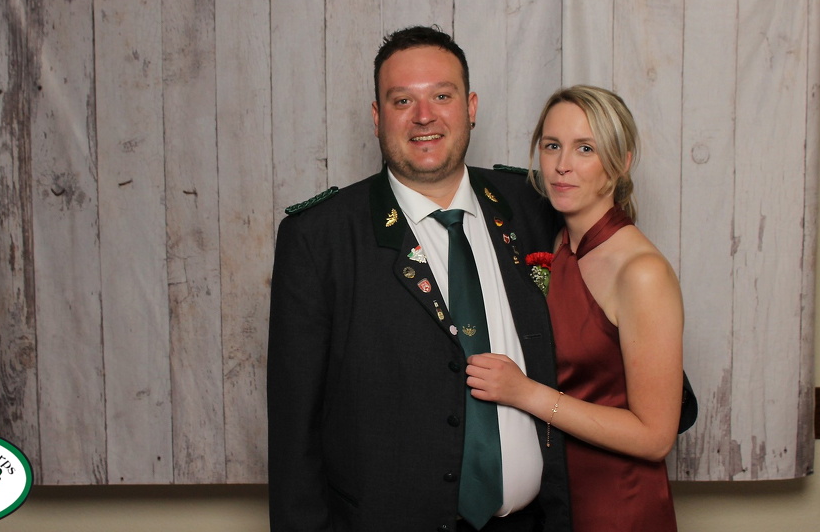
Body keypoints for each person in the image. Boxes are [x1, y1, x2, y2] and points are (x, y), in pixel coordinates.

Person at [267, 26, 572, 532]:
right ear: (377, 117)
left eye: (442, 96)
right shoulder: (319, 238)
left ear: (471, 107)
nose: (424, 116)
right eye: (403, 100)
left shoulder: (532, 204)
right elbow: (293, 431)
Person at [466, 85, 684, 532]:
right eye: (552, 146)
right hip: (554, 500)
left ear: (621, 162)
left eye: (585, 148)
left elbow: (656, 437)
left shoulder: (641, 272)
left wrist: (525, 393)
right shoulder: (553, 242)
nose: (562, 164)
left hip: (617, 506)